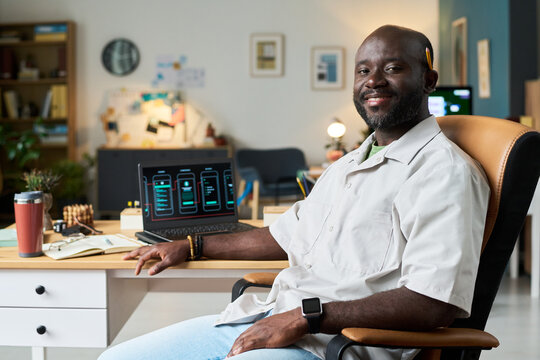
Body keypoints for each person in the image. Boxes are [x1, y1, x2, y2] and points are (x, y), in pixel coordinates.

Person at [99, 25, 490, 360]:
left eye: (392, 68)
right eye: (363, 70)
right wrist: (193, 245)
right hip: (274, 316)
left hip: (335, 345)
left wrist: (307, 316)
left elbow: (432, 302)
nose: (373, 80)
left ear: (428, 80)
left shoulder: (444, 173)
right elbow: (285, 234)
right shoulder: (349, 164)